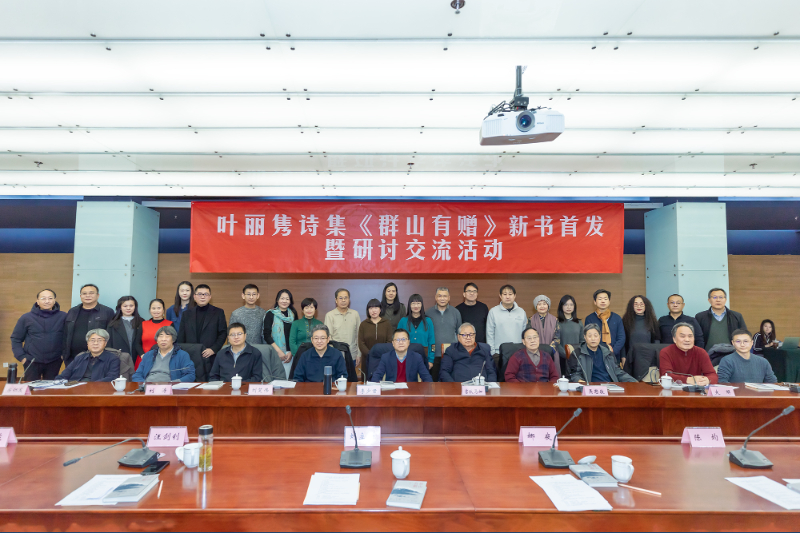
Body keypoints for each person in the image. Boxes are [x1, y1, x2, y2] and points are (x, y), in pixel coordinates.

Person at [11, 289, 67, 381]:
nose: (47, 301)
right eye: (43, 298)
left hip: (54, 361)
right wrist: (22, 357)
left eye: (50, 298)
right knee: (30, 387)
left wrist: (63, 356)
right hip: (31, 361)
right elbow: (16, 338)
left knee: (51, 388)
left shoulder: (63, 316)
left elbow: (68, 338)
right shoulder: (26, 317)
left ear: (54, 300)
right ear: (37, 301)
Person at [176, 284, 227, 376]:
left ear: (210, 297)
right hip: (190, 356)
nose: (203, 297)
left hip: (210, 356)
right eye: (199, 294)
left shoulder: (218, 312)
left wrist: (213, 349)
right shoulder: (186, 314)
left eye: (205, 294)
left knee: (209, 382)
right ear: (194, 296)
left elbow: (223, 333)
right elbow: (181, 336)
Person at [62, 283, 115, 368]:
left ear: (97, 295)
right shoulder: (73, 311)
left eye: (91, 293)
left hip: (97, 358)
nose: (87, 296)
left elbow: (111, 335)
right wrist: (64, 353)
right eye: (84, 293)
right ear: (80, 296)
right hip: (72, 358)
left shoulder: (107, 312)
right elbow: (66, 333)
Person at [569, 324, 637, 384]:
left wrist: (633, 381)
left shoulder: (607, 352)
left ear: (600, 336)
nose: (593, 339)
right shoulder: (577, 354)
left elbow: (617, 371)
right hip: (591, 387)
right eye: (589, 336)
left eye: (595, 336)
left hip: (610, 386)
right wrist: (584, 384)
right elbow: (574, 375)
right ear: (585, 337)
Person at [426, 287, 462, 381]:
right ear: (435, 297)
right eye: (440, 296)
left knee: (450, 383)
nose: (442, 298)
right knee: (433, 383)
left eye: (445, 296)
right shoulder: (428, 313)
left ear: (449, 298)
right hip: (434, 356)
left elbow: (459, 334)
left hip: (451, 355)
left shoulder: (455, 312)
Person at [584, 289, 626, 364]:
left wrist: (612, 352)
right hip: (595, 357)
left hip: (614, 357)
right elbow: (588, 338)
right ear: (595, 302)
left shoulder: (617, 318)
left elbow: (621, 338)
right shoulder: (589, 319)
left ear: (609, 301)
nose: (603, 301)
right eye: (600, 299)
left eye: (605, 299)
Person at [486, 284, 528, 358]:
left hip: (519, 352)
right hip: (499, 353)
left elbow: (525, 333)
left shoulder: (521, 312)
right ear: (500, 296)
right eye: (505, 294)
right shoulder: (493, 312)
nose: (507, 297)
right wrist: (492, 352)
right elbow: (490, 333)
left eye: (510, 294)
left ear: (515, 296)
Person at [264, 289, 298, 378]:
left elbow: (295, 335)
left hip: (289, 354)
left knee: (287, 379)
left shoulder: (293, 314)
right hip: (274, 351)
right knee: (276, 379)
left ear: (290, 301)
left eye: (287, 299)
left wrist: (291, 352)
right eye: (282, 298)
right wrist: (278, 351)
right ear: (277, 300)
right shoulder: (270, 314)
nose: (284, 301)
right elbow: (266, 335)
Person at [324, 288, 361, 368]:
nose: (343, 300)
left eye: (346, 298)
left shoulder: (355, 314)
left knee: (351, 376)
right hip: (336, 356)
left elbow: (359, 335)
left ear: (349, 300)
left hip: (352, 355)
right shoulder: (330, 315)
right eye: (340, 298)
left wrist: (359, 354)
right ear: (336, 300)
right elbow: (328, 337)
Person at [397, 294, 436, 369]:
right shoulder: (403, 321)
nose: (416, 306)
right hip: (405, 356)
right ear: (409, 305)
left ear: (421, 305)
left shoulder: (428, 321)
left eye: (418, 303)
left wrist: (431, 359)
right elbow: (397, 340)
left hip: (424, 357)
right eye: (413, 303)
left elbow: (432, 342)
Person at [621, 295, 660, 368]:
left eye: (641, 304)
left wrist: (655, 356)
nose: (639, 306)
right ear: (631, 306)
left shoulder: (653, 321)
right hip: (631, 358)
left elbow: (656, 340)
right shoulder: (625, 321)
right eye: (636, 304)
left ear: (646, 306)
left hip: (649, 358)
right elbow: (622, 341)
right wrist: (623, 357)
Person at [107, 296, 144, 367]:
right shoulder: (113, 324)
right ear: (120, 307)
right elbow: (109, 344)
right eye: (125, 306)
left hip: (137, 358)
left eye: (131, 306)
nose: (128, 308)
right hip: (118, 358)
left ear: (135, 307)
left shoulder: (141, 321)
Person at [358, 298, 393, 375]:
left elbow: (389, 341)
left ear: (380, 309)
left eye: (376, 307)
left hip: (383, 358)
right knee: (368, 379)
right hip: (367, 358)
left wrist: (381, 354)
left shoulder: (387, 323)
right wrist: (370, 354)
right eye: (371, 308)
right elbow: (361, 343)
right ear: (368, 310)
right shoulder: (363, 324)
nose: (373, 311)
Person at [556, 295, 582, 362]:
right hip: (562, 357)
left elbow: (582, 341)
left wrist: (577, 353)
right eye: (566, 304)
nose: (569, 307)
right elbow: (556, 341)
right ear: (561, 306)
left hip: (577, 357)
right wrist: (565, 354)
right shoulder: (556, 322)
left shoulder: (579, 322)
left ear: (574, 307)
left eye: (571, 305)